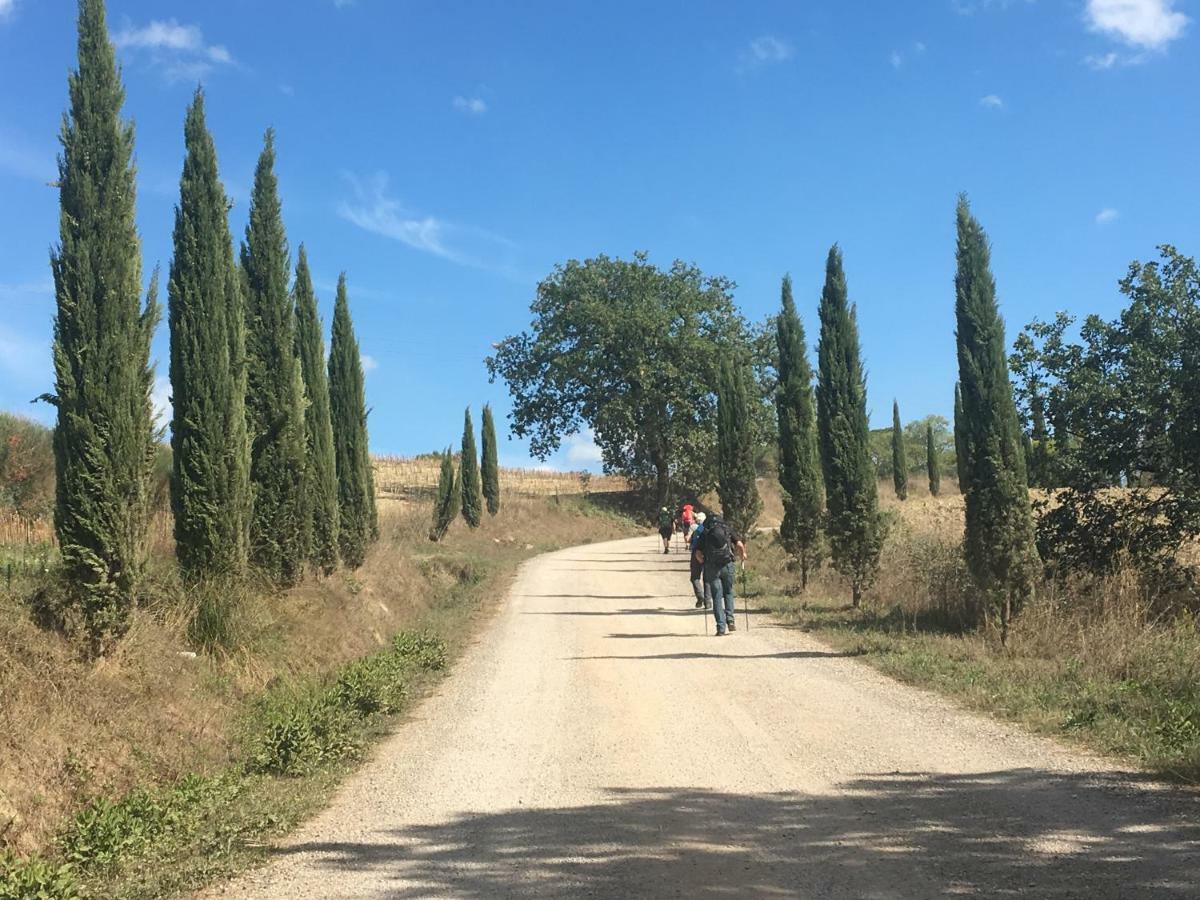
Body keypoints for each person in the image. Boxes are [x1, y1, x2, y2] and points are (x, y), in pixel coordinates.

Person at [696, 514, 747, 636]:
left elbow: (697, 553)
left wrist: (703, 561)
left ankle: (720, 627)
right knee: (728, 592)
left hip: (712, 567)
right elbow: (739, 544)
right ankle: (730, 620)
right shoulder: (727, 529)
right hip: (727, 564)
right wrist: (743, 555)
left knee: (717, 596)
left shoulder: (705, 532)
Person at [689, 512, 710, 609]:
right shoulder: (709, 529)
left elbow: (689, 541)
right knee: (707, 578)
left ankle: (700, 596)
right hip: (708, 554)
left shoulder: (696, 528)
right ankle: (708, 601)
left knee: (695, 577)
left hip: (696, 554)